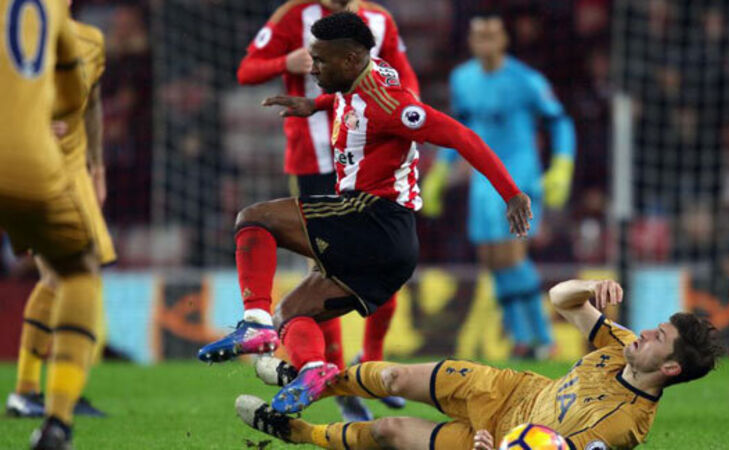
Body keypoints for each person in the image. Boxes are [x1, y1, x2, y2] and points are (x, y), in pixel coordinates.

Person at [200, 11, 533, 415]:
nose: (312, 67)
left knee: (254, 218)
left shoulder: (391, 105)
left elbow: (461, 135)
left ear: (350, 59)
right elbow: (346, 95)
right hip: (391, 246)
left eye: (320, 61)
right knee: (290, 314)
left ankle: (255, 324)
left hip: (373, 218)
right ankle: (314, 370)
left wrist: (512, 194)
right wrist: (315, 104)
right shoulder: (360, 74)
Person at [236, 278, 725, 450]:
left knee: (388, 432)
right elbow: (562, 299)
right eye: (655, 327)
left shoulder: (621, 425)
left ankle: (298, 432)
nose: (645, 333)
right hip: (506, 388)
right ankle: (311, 381)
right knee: (393, 375)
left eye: (659, 338)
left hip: (496, 443)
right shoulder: (620, 344)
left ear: (670, 369)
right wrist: (589, 286)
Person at [227, 0, 420, 420]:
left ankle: (370, 361)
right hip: (313, 161)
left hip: (371, 160)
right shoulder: (292, 15)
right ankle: (336, 384)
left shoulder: (379, 20)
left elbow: (406, 78)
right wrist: (285, 62)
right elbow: (246, 71)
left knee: (383, 261)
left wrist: (410, 118)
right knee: (324, 270)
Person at [422, 12, 576, 359]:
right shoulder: (462, 79)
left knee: (510, 253)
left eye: (491, 35)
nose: (485, 43)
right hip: (483, 178)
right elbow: (459, 129)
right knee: (490, 257)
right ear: (471, 41)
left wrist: (562, 164)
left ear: (504, 40)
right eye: (479, 36)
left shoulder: (526, 80)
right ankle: (522, 339)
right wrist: (440, 171)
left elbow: (560, 121)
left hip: (519, 174)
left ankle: (543, 339)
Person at [0, 1, 103, 448]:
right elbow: (72, 94)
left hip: (47, 164)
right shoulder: (51, 8)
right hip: (32, 163)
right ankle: (56, 419)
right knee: (78, 271)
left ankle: (29, 392)